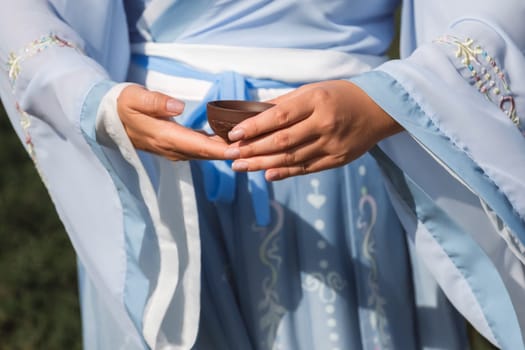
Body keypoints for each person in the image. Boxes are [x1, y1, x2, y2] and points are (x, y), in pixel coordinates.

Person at [0, 1, 520, 350]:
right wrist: (95, 101)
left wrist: (381, 105)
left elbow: (493, 17)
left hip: (338, 156)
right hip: (157, 167)